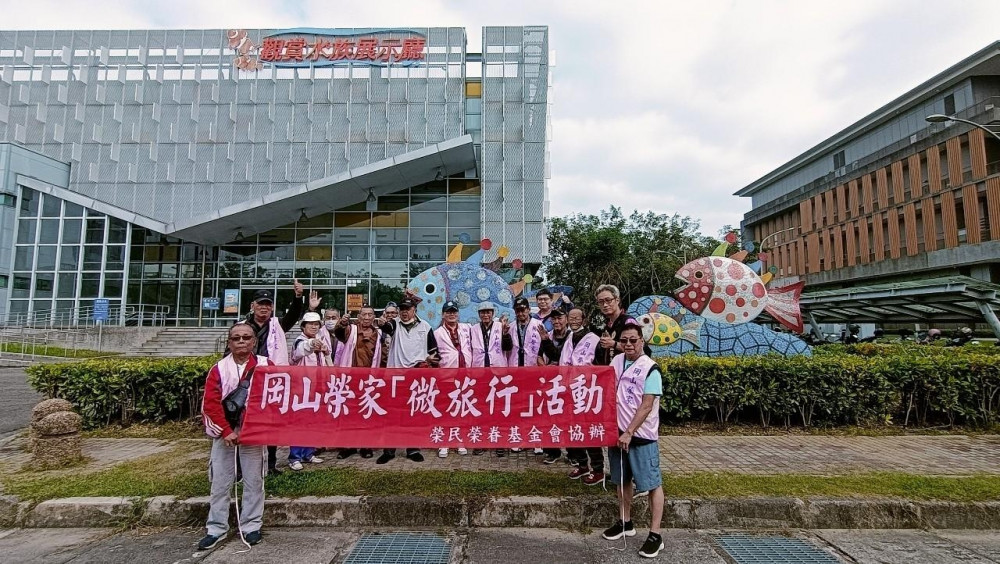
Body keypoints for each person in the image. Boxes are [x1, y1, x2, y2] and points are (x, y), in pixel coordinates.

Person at [198, 323, 273, 550]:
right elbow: (210, 404)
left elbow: (271, 400)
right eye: (236, 338)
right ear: (229, 342)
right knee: (220, 482)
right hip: (225, 435)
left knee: (254, 481)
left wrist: (249, 428)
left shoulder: (265, 365)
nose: (241, 341)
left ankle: (251, 526)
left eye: (246, 337)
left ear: (254, 342)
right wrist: (226, 431)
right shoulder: (218, 369)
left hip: (252, 434)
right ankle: (216, 528)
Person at [600, 323, 665, 559]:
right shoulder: (616, 362)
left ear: (642, 341)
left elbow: (647, 405)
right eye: (625, 340)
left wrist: (629, 431)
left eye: (633, 340)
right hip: (617, 434)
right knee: (621, 479)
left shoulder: (651, 369)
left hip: (640, 436)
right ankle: (625, 521)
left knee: (651, 484)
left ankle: (655, 535)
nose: (628, 344)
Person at [242, 283, 307, 475]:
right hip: (248, 381)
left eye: (268, 304)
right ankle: (242, 467)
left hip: (271, 382)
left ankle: (270, 464)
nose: (264, 307)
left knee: (271, 423)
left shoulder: (277, 325)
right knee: (245, 422)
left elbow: (293, 315)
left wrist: (298, 297)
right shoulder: (242, 328)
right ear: (253, 305)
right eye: (260, 304)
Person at [374, 296, 439, 464]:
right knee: (393, 415)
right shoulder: (395, 323)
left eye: (407, 309)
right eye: (402, 309)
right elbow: (387, 327)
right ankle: (389, 451)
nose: (404, 312)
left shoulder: (425, 327)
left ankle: (413, 448)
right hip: (395, 377)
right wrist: (382, 323)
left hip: (416, 377)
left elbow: (434, 351)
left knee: (414, 414)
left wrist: (431, 361)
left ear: (414, 310)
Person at [332, 305, 382, 460]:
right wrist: (342, 324)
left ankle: (366, 445)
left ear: (374, 317)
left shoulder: (378, 334)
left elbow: (383, 355)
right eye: (364, 315)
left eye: (370, 315)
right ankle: (348, 445)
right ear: (358, 316)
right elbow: (339, 334)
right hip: (350, 379)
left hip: (369, 380)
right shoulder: (351, 330)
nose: (367, 318)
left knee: (366, 413)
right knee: (348, 413)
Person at [564, 307, 605, 484]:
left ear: (584, 320)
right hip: (569, 391)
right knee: (573, 430)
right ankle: (582, 465)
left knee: (589, 431)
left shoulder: (594, 339)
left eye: (577, 317)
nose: (573, 320)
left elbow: (601, 365)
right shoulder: (569, 338)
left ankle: (598, 469)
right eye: (570, 317)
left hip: (587, 393)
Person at [468, 301, 513, 456]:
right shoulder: (472, 329)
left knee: (498, 408)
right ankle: (481, 441)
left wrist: (506, 334)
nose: (485, 315)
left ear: (493, 313)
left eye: (488, 312)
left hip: (498, 373)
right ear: (479, 314)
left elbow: (508, 347)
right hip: (480, 372)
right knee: (480, 408)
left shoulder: (501, 327)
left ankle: (499, 441)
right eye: (482, 312)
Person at [286, 312, 329, 471]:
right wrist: (312, 344)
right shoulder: (300, 341)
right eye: (310, 324)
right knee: (299, 422)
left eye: (317, 324)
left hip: (317, 387)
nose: (314, 326)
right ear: (303, 326)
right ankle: (294, 457)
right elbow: (301, 351)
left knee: (313, 421)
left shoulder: (321, 341)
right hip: (301, 389)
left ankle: (308, 453)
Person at [507, 296, 549, 454]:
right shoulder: (511, 327)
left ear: (528, 309)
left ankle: (536, 439)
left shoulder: (539, 325)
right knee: (518, 406)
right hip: (516, 370)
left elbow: (544, 346)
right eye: (518, 310)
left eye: (523, 309)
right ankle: (518, 437)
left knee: (534, 405)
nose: (521, 313)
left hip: (534, 370)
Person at [434, 300, 472, 458]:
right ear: (443, 314)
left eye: (454, 311)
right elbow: (433, 355)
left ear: (458, 313)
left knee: (462, 409)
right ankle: (444, 442)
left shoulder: (467, 329)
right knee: (446, 409)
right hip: (447, 376)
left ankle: (459, 439)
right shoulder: (437, 333)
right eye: (448, 312)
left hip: (466, 375)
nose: (451, 314)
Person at [538, 306, 571, 464]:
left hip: (569, 383)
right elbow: (539, 356)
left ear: (566, 319)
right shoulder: (547, 335)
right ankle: (552, 451)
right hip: (550, 383)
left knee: (569, 418)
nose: (557, 321)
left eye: (560, 318)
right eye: (554, 318)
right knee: (548, 417)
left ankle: (574, 454)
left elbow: (562, 357)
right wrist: (545, 369)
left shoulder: (573, 337)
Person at [378, 301, 399, 368]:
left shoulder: (401, 328)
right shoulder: (379, 330)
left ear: (397, 314)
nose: (390, 315)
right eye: (388, 313)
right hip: (383, 364)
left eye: (393, 313)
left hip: (397, 364)